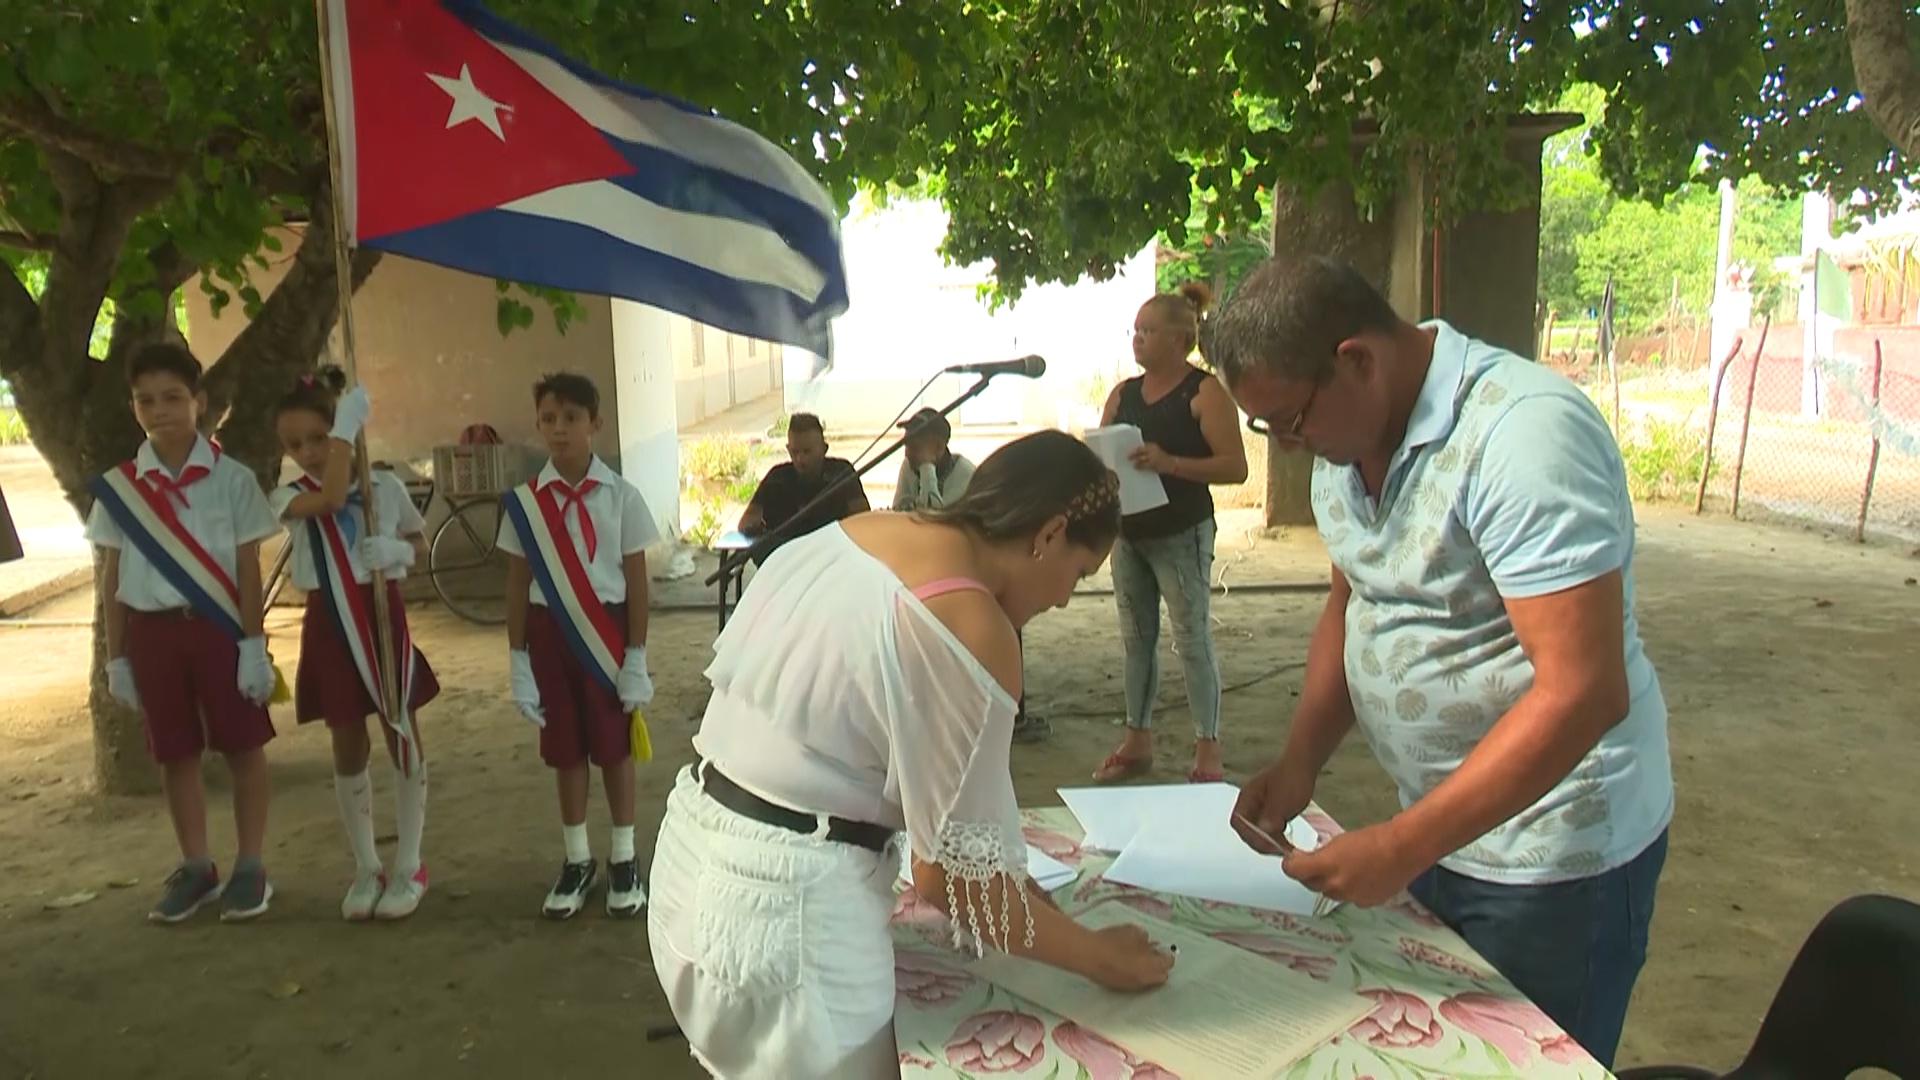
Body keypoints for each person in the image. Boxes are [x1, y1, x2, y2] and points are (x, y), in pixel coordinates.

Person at [1209, 255, 1672, 1069]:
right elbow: (1355, 601)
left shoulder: (1523, 435)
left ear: (1357, 360)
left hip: (1553, 861)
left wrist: (1399, 846)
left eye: (1289, 419)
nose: (1289, 445)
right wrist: (1299, 761)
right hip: (1437, 831)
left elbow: (1583, 688)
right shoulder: (1343, 447)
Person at [647, 431, 1173, 1080]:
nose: (1065, 597)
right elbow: (950, 879)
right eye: (1079, 572)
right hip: (787, 921)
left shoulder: (861, 530)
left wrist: (1022, 893)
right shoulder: (973, 623)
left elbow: (942, 809)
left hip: (689, 860)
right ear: (1050, 534)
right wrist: (1100, 957)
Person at [85, 342, 282, 923]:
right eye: (146, 400)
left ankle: (251, 865)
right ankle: (197, 866)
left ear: (199, 402)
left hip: (218, 631)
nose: (160, 409)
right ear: (133, 408)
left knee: (244, 745)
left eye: (173, 397)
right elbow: (112, 575)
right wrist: (116, 657)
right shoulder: (121, 488)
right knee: (175, 753)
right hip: (151, 634)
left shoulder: (234, 479)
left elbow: (249, 568)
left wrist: (253, 644)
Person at [269, 369, 438, 922]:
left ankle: (410, 862)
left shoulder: (384, 488)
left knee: (400, 727)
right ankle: (367, 865)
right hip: (329, 623)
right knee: (346, 738)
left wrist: (398, 552)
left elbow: (417, 539)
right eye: (295, 445)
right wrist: (345, 427)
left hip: (381, 617)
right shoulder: (286, 497)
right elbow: (331, 496)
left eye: (320, 438)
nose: (309, 453)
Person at [498, 372, 659, 920]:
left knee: (613, 747)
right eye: (548, 419)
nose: (559, 429)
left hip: (606, 633)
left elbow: (637, 582)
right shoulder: (524, 505)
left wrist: (636, 655)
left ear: (596, 423)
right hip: (548, 634)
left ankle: (623, 856)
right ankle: (576, 859)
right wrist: (517, 658)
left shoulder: (622, 496)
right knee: (564, 749)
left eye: (571, 418)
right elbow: (518, 584)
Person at [1094, 281, 1249, 784]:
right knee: (1136, 639)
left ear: (1182, 338)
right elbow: (1102, 452)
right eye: (1135, 330)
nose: (1137, 339)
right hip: (1129, 532)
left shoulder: (1204, 392)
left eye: (1149, 330)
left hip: (1182, 532)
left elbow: (1235, 467)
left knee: (1191, 638)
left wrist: (1170, 463)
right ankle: (1137, 739)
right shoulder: (1123, 393)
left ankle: (1208, 747)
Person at [736, 412, 869, 564]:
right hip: (785, 561)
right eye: (795, 452)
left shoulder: (841, 473)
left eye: (807, 452)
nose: (800, 459)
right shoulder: (776, 478)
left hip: (832, 559)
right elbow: (746, 523)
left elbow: (863, 519)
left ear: (824, 449)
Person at [889, 407, 975, 512]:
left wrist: (927, 468)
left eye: (915, 447)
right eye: (907, 445)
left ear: (939, 448)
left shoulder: (965, 475)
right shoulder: (909, 465)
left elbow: (932, 517)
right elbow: (897, 511)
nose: (907, 453)